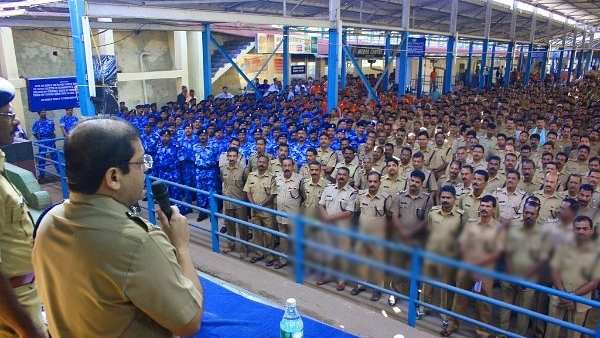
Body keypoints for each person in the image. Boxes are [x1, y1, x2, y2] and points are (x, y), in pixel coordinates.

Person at [32, 116, 204, 337]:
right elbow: (189, 322)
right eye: (140, 163)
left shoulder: (48, 222)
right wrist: (181, 247)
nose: (145, 170)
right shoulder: (137, 242)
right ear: (113, 176)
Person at [0, 77, 46, 337]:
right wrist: (27, 330)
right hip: (13, 314)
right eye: (7, 114)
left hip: (24, 296)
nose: (15, 121)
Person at [444, 195, 507, 338]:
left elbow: (497, 253)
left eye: (488, 206)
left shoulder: (498, 228)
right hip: (467, 266)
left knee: (484, 302)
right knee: (460, 297)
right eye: (482, 205)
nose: (484, 209)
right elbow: (463, 245)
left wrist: (476, 266)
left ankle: (482, 332)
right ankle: (453, 324)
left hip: (485, 270)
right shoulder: (471, 223)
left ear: (493, 209)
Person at [545, 215, 599, 338]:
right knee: (551, 330)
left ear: (592, 230)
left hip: (581, 301)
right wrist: (564, 295)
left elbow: (594, 282)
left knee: (574, 334)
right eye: (578, 228)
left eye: (585, 229)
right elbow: (554, 270)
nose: (581, 231)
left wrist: (573, 297)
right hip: (558, 295)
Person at [351, 171, 391, 302]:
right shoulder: (361, 195)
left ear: (380, 182)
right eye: (370, 181)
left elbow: (390, 217)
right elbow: (357, 211)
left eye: (375, 181)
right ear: (367, 182)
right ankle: (361, 285)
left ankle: (377, 289)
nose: (372, 184)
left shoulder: (386, 198)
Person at [244, 154, 277, 265]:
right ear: (257, 163)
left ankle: (269, 256)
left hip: (267, 211)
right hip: (255, 211)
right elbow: (248, 191)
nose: (261, 164)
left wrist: (261, 205)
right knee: (256, 233)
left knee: (268, 235)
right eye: (260, 162)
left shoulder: (272, 177)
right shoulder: (251, 176)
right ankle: (258, 254)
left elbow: (272, 194)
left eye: (264, 162)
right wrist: (253, 205)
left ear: (267, 164)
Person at [220, 147, 249, 258]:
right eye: (230, 156)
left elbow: (246, 185)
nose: (232, 158)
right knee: (230, 225)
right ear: (227, 156)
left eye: (234, 156)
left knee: (242, 227)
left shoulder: (243, 170)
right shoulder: (223, 169)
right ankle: (230, 245)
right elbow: (223, 181)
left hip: (240, 202)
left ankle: (244, 248)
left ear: (238, 157)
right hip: (227, 201)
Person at [31, 109, 59, 180]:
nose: (43, 113)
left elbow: (53, 131)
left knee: (54, 154)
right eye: (42, 112)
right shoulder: (37, 123)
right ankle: (42, 173)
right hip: (42, 139)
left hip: (50, 139)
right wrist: (40, 139)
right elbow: (34, 133)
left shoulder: (50, 121)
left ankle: (59, 170)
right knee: (42, 156)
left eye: (44, 112)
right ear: (39, 114)